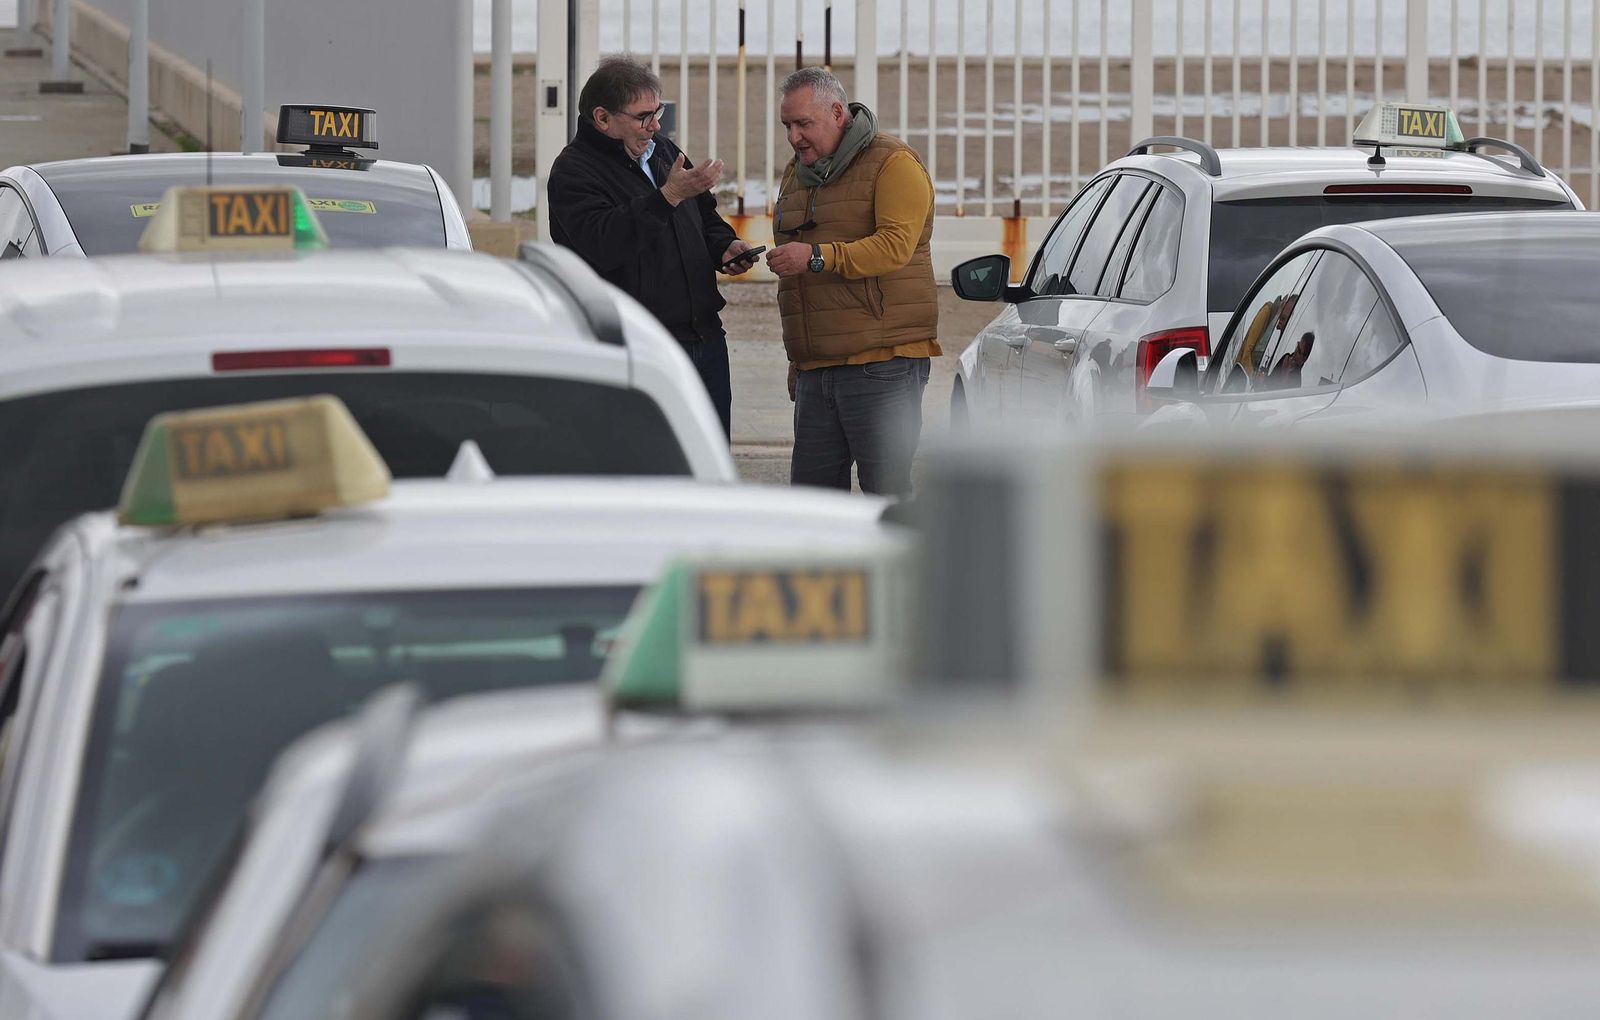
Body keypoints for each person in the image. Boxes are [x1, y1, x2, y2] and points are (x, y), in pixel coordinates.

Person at [547, 56, 758, 439]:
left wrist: (725, 246)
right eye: (644, 117)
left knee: (708, 459)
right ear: (602, 118)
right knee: (646, 461)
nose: (655, 125)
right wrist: (668, 196)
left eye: (657, 112)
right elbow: (604, 243)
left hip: (704, 339)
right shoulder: (573, 172)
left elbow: (704, 216)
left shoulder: (661, 151)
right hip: (635, 348)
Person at [764, 67, 939, 497]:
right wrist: (799, 360)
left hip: (882, 365)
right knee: (814, 504)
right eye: (787, 126)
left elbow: (895, 246)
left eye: (803, 123)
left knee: (887, 498)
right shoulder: (796, 173)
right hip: (815, 370)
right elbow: (799, 283)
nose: (794, 137)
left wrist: (817, 257)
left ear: (838, 113)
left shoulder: (893, 163)